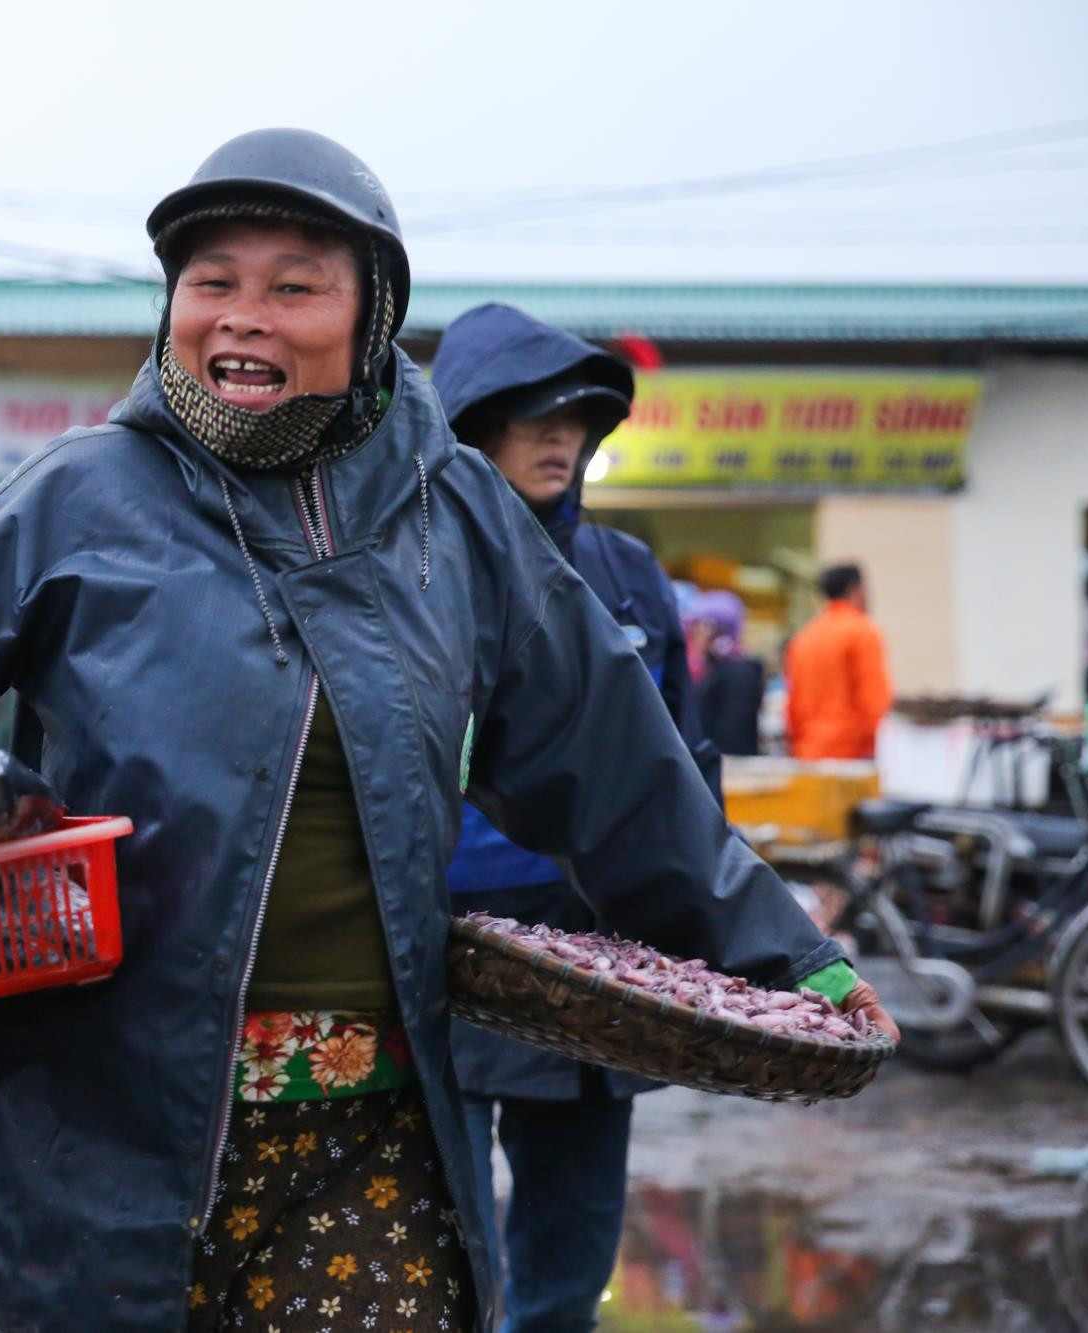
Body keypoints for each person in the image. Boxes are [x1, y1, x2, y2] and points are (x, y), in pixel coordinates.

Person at [0, 129, 892, 1333]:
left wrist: (784, 958)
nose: (242, 315)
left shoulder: (456, 519)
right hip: (106, 1119)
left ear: (369, 316)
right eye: (212, 283)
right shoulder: (87, 492)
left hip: (372, 1140)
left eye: (294, 286)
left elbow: (620, 772)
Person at [430, 303, 733, 1333]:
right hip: (444, 948)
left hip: (593, 943)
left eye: (577, 417)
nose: (558, 435)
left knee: (569, 1254)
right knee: (442, 1244)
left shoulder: (625, 574)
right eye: (530, 415)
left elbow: (684, 763)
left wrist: (710, 931)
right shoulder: (414, 570)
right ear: (471, 425)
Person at [784, 564, 893, 760]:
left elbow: (793, 704)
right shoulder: (862, 632)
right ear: (856, 589)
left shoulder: (804, 637)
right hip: (850, 755)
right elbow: (874, 701)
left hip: (808, 752)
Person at [690, 589, 765, 758]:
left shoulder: (737, 673)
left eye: (702, 625)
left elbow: (734, 737)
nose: (696, 632)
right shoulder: (716, 669)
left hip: (727, 772)